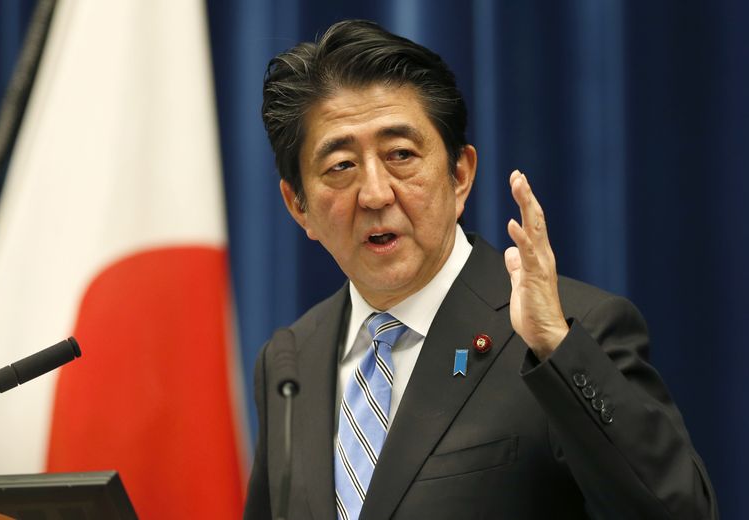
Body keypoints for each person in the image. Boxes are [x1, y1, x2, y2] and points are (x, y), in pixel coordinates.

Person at [244, 19, 718, 520]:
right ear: (298, 206)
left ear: (460, 175)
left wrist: (557, 346)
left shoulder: (572, 331)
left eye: (401, 155)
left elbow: (679, 510)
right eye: (341, 165)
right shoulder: (291, 358)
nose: (376, 194)